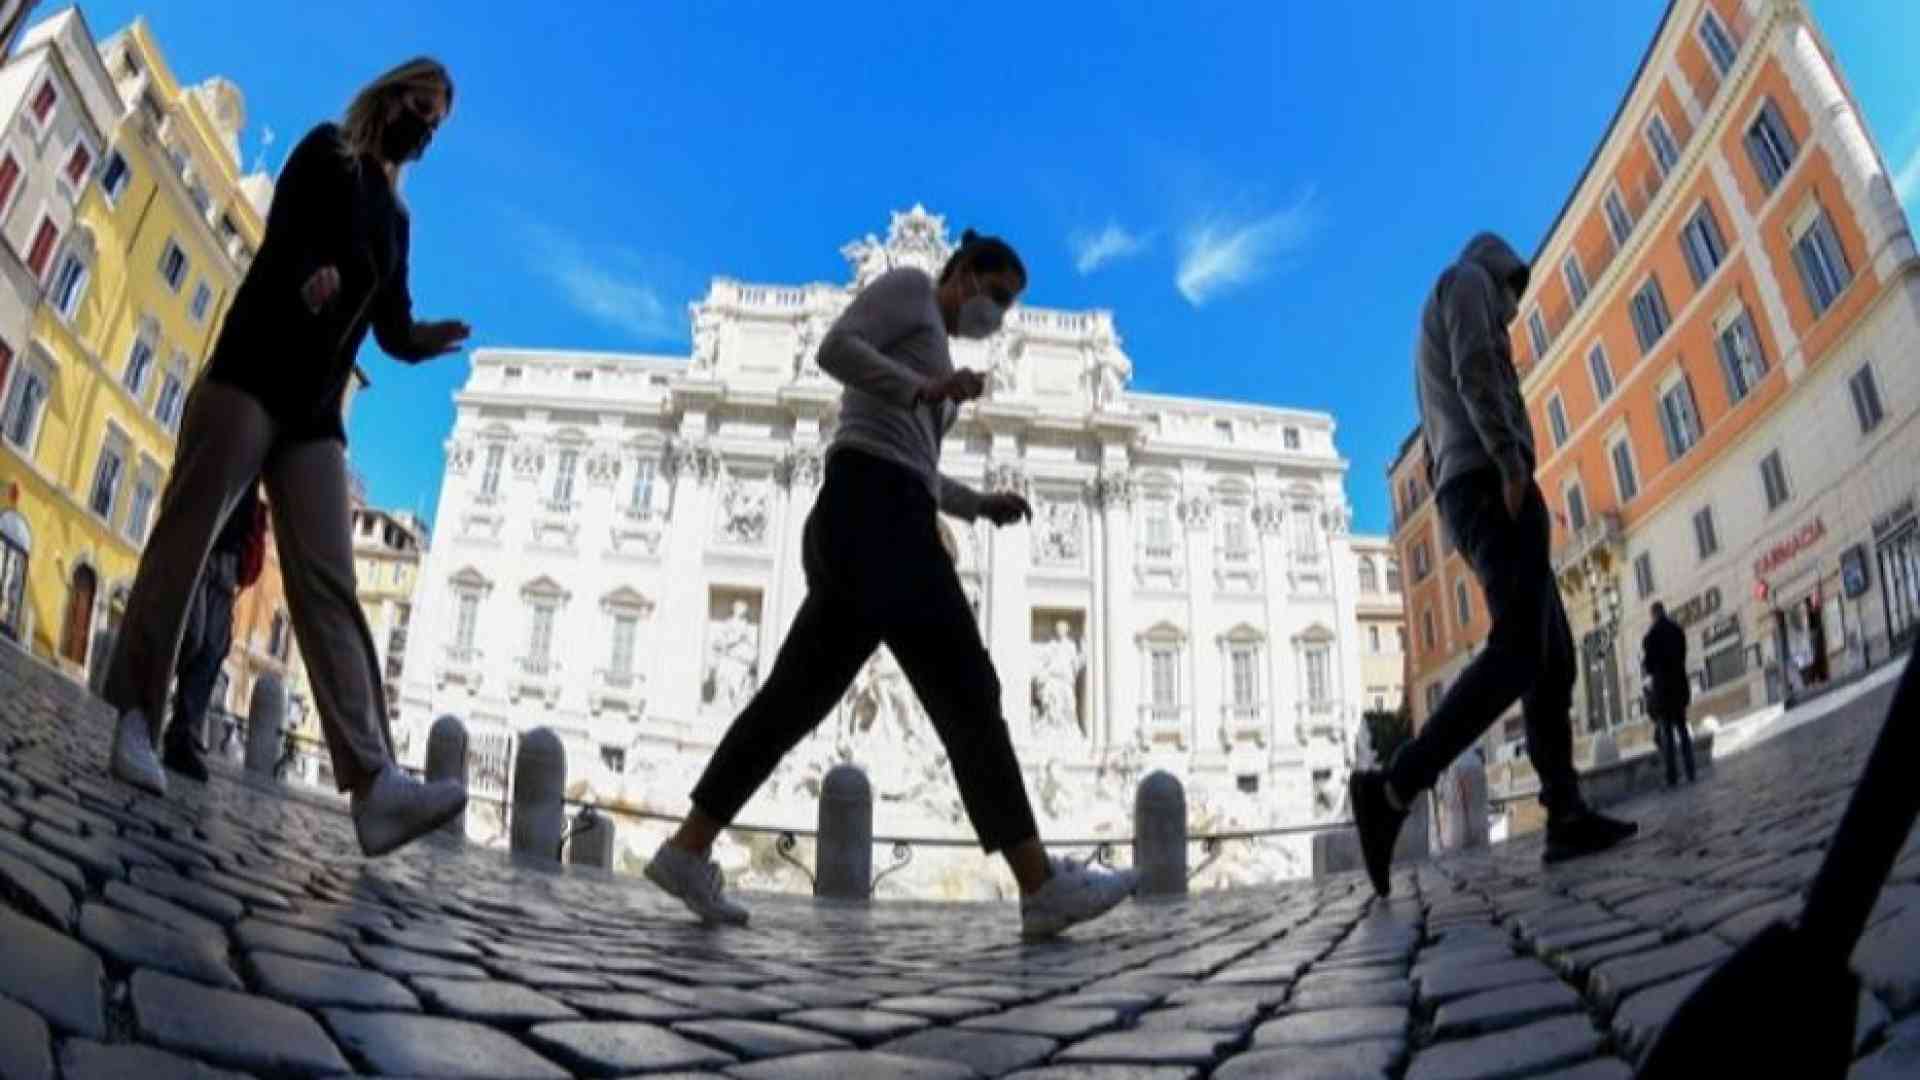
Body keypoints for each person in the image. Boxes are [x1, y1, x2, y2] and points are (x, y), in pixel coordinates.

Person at [645, 231, 1139, 937]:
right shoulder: (910, 287)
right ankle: (1040, 885)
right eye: (998, 296)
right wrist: (924, 388)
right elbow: (834, 349)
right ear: (964, 274)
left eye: (1009, 304)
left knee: (790, 702)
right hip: (878, 512)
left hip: (873, 510)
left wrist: (978, 504)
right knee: (969, 692)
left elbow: (919, 464)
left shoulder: (937, 351)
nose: (999, 314)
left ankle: (686, 849)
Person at [102, 58, 470, 858]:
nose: (424, 131)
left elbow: (392, 326)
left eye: (437, 125)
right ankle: (135, 716)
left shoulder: (397, 220)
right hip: (254, 367)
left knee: (331, 581)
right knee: (188, 534)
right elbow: (288, 236)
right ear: (390, 96)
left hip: (315, 412)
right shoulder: (326, 150)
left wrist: (426, 340)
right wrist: (311, 277)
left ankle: (375, 787)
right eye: (420, 109)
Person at [1348, 233, 1636, 896]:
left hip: (1469, 484)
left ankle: (1565, 813)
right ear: (1506, 273)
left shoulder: (1442, 307)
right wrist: (1509, 460)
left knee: (1552, 657)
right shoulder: (1469, 282)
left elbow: (1434, 438)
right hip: (1490, 479)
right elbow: (1479, 365)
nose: (1509, 318)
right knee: (1519, 652)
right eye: (1513, 304)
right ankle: (1391, 789)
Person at [160, 484, 267, 783]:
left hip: (230, 557)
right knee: (190, 634)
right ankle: (147, 707)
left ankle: (182, 734)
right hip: (202, 536)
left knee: (212, 650)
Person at [1642, 601, 1696, 786]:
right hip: (1679, 688)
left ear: (1653, 615)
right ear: (1664, 611)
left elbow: (1649, 667)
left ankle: (1672, 777)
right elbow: (1683, 656)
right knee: (1683, 731)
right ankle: (1690, 770)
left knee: (1667, 736)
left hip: (1663, 692)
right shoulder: (1677, 630)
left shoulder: (1651, 637)